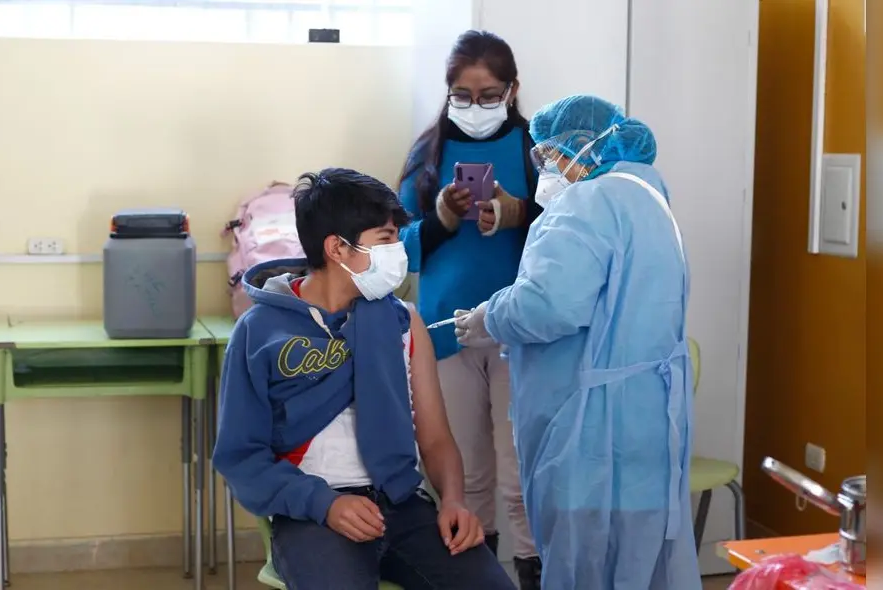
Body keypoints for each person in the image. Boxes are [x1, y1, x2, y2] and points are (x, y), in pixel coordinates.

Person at [212, 168, 516, 590]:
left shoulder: (404, 323)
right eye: (386, 239)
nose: (398, 251)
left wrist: (453, 501)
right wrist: (324, 504)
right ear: (337, 247)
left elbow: (435, 438)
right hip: (314, 514)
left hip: (405, 507)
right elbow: (241, 457)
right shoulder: (259, 330)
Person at [454, 95, 702, 589]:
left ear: (582, 148)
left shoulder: (588, 202)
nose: (547, 168)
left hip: (594, 427)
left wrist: (492, 316)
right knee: (642, 559)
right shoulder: (648, 196)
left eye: (550, 155)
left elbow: (550, 305)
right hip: (648, 417)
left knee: (587, 564)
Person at [397, 30, 542, 588]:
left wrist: (519, 214)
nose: (474, 106)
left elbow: (570, 240)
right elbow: (393, 248)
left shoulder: (536, 150)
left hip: (518, 330)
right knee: (465, 477)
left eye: (488, 94)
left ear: (512, 90)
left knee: (521, 474)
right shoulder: (426, 153)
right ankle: (477, 577)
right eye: (462, 94)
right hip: (444, 332)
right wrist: (440, 221)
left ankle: (531, 571)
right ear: (447, 91)